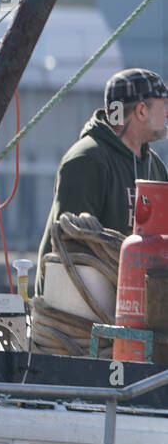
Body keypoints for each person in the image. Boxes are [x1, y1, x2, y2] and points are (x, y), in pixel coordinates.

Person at [36, 68, 168, 294]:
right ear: (142, 111)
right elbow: (72, 250)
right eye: (163, 105)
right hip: (84, 311)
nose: (167, 114)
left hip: (133, 304)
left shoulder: (154, 166)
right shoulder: (86, 160)